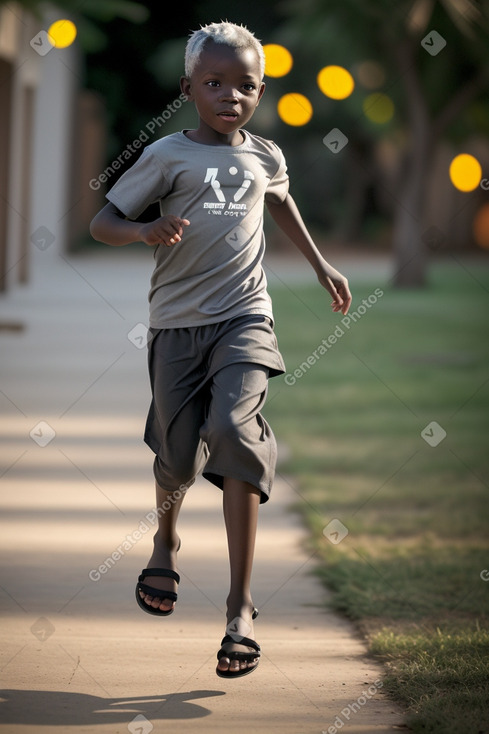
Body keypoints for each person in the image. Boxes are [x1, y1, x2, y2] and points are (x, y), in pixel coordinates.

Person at [90, 20, 352, 679]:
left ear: (259, 92)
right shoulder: (166, 156)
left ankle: (239, 606)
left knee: (234, 430)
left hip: (245, 319)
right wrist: (146, 230)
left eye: (244, 86)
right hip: (176, 326)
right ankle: (165, 537)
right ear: (188, 89)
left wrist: (322, 268)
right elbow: (102, 221)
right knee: (176, 459)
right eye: (214, 83)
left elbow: (281, 204)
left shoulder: (265, 156)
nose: (230, 95)